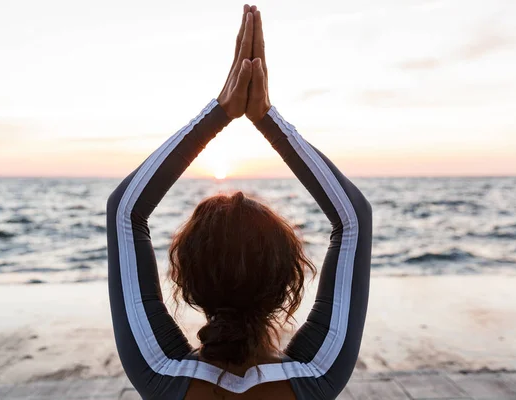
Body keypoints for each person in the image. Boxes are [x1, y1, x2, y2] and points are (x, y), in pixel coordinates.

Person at [106, 4, 373, 399]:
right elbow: (354, 218)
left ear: (185, 283)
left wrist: (220, 112)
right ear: (289, 285)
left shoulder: (163, 376)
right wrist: (264, 115)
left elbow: (125, 210)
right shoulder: (315, 378)